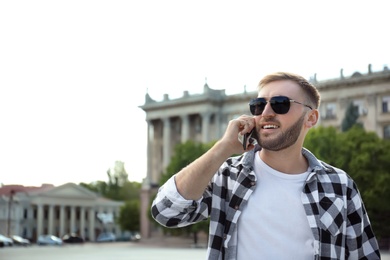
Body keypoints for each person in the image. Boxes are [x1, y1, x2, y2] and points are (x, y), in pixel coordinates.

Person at [151, 72, 380, 259]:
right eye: (258, 105)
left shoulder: (339, 184)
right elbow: (166, 212)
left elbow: (364, 254)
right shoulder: (228, 177)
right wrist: (222, 148)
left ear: (311, 118)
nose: (266, 113)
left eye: (281, 104)